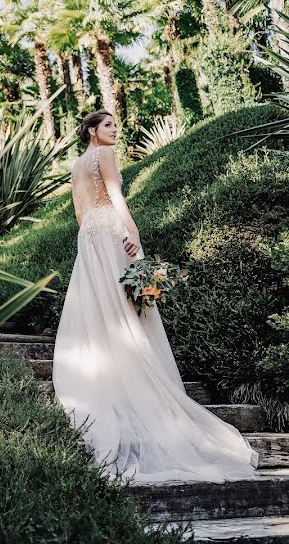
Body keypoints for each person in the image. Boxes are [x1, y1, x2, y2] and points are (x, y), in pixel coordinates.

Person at [51, 110, 259, 483]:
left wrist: (93, 240)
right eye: (109, 125)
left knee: (106, 310)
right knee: (129, 310)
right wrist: (134, 236)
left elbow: (81, 214)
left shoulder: (77, 165)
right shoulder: (104, 155)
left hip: (89, 240)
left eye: (115, 124)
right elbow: (116, 196)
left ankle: (117, 372)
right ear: (93, 132)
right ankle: (139, 374)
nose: (116, 130)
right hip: (110, 233)